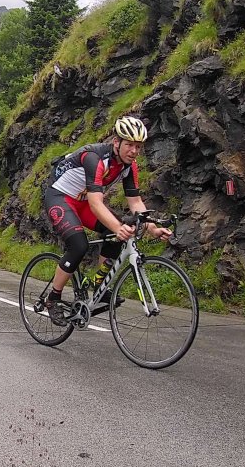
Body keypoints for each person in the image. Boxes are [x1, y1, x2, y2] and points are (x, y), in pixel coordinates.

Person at [41, 115, 172, 325]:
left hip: (83, 203)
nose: (134, 151)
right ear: (116, 142)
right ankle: (52, 299)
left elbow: (136, 203)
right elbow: (96, 203)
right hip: (60, 197)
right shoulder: (94, 157)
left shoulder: (129, 166)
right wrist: (118, 227)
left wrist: (152, 229)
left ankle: (100, 285)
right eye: (129, 145)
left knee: (116, 234)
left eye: (138, 147)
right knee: (79, 244)